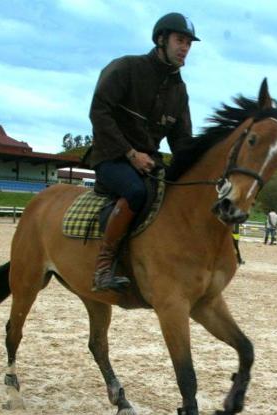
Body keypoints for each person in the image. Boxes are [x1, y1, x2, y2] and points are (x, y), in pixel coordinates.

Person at [83, 12, 199, 292]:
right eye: (180, 40)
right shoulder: (125, 68)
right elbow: (99, 112)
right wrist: (130, 154)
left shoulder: (179, 90)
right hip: (111, 157)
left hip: (149, 162)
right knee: (136, 192)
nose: (185, 47)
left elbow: (182, 141)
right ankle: (103, 266)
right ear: (161, 39)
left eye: (189, 43)